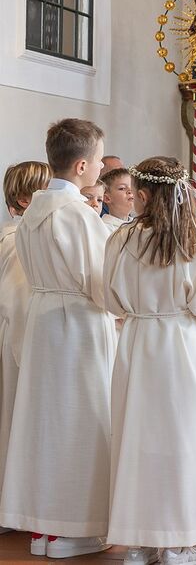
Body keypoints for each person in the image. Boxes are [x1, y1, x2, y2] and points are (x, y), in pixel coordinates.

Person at [104, 157, 196, 565]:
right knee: (183, 440)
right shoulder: (193, 242)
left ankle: (139, 543)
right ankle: (180, 543)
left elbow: (109, 299)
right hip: (181, 345)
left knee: (137, 438)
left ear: (143, 196)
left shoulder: (120, 240)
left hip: (137, 341)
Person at [0, 119, 116, 558]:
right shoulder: (78, 215)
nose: (102, 167)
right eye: (100, 160)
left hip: (44, 322)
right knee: (83, 421)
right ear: (82, 165)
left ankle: (44, 526)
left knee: (48, 424)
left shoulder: (33, 212)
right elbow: (100, 283)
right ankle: (76, 527)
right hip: (79, 325)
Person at [0, 161, 51, 535]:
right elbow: (17, 301)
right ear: (23, 200)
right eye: (43, 191)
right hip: (19, 340)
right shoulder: (17, 240)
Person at [101, 167, 134, 231]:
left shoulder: (138, 225)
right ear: (107, 198)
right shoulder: (103, 228)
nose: (130, 191)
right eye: (122, 188)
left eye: (132, 187)